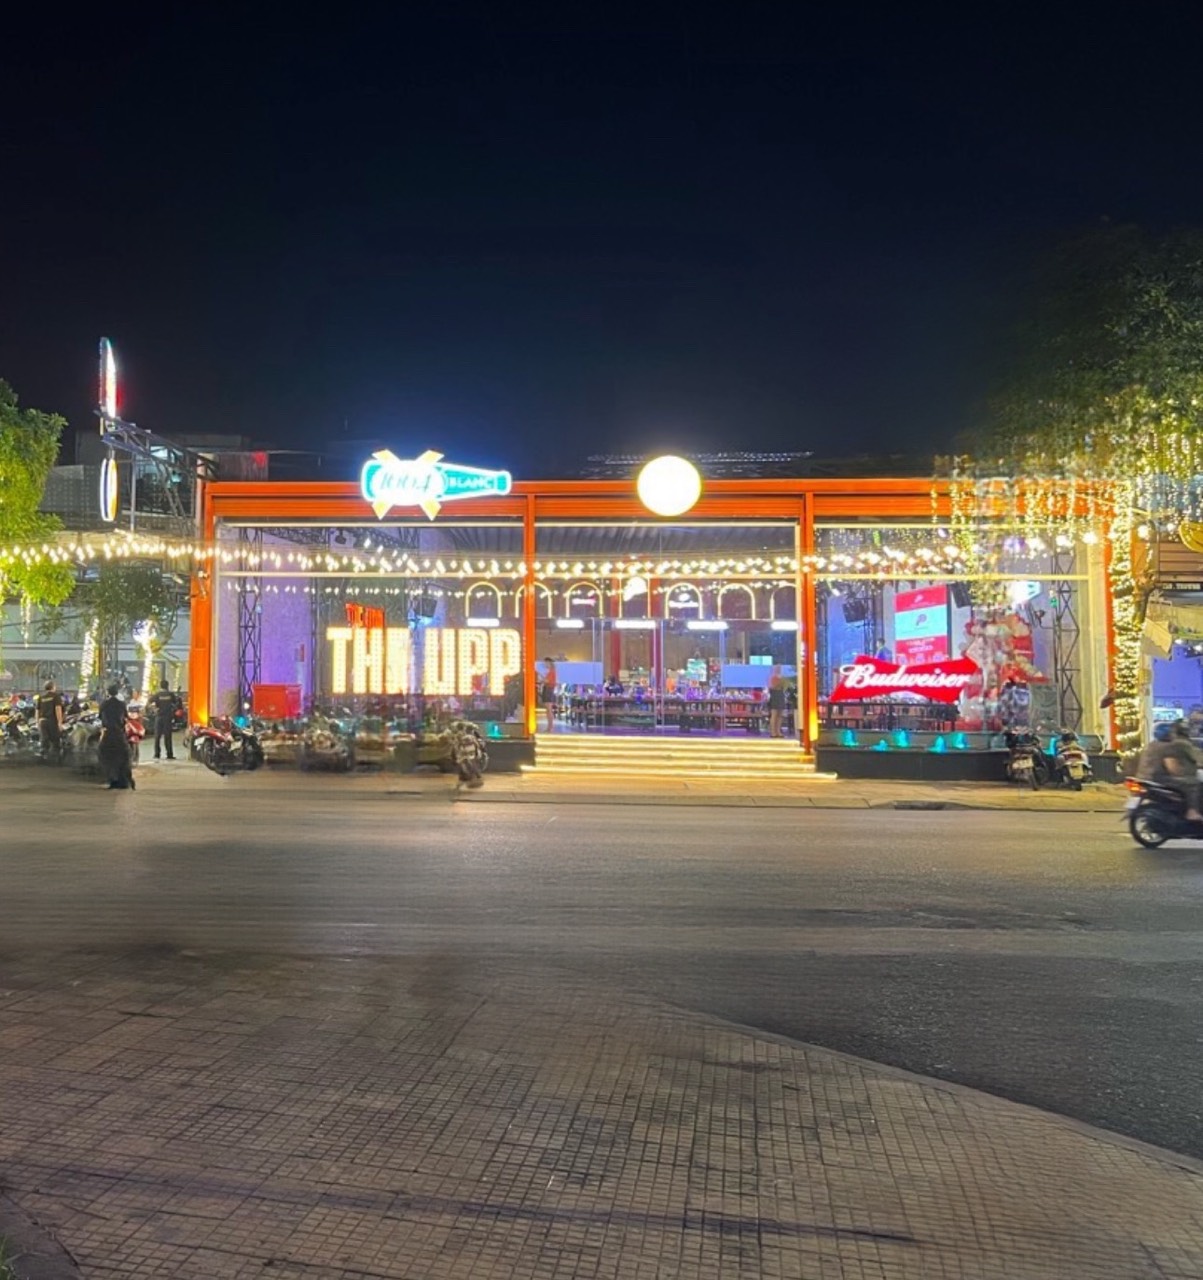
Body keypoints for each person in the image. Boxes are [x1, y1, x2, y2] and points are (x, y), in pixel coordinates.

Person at [1137, 720, 1200, 821]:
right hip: (1158, 778)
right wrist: (1182, 774)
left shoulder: (1151, 745)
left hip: (1145, 777)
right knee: (1193, 784)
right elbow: (1172, 768)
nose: (1173, 735)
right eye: (1172, 732)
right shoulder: (1168, 747)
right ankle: (1192, 811)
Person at [98, 682, 135, 790]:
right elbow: (126, 717)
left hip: (108, 734)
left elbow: (100, 717)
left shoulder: (104, 704)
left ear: (108, 692)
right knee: (124, 757)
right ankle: (124, 780)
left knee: (106, 757)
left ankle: (112, 780)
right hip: (119, 734)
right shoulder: (121, 704)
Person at [148, 679, 178, 760]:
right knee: (168, 736)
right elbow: (176, 703)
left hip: (159, 717)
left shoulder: (157, 694)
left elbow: (149, 702)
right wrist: (172, 710)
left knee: (157, 736)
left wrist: (155, 709)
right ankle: (169, 754)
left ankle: (157, 754)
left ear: (160, 686)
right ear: (167, 686)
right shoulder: (170, 694)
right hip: (167, 717)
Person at [35, 679, 64, 759]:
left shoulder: (41, 697)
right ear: (53, 687)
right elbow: (58, 709)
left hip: (42, 721)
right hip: (52, 721)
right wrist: (60, 722)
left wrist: (37, 722)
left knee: (44, 739)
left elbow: (37, 711)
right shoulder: (55, 696)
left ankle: (43, 756)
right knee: (55, 740)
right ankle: (55, 758)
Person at [766, 667, 786, 738]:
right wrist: (777, 684)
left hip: (781, 695)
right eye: (777, 668)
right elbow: (771, 687)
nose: (779, 669)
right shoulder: (771, 677)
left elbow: (784, 687)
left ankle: (778, 731)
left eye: (779, 668)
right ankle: (773, 732)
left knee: (780, 715)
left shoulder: (782, 677)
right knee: (774, 714)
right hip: (774, 696)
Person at [540, 658, 558, 734]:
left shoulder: (552, 672)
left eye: (545, 663)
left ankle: (550, 727)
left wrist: (541, 678)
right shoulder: (550, 671)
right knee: (548, 710)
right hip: (547, 689)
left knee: (549, 709)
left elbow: (547, 681)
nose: (545, 665)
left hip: (548, 689)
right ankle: (549, 727)